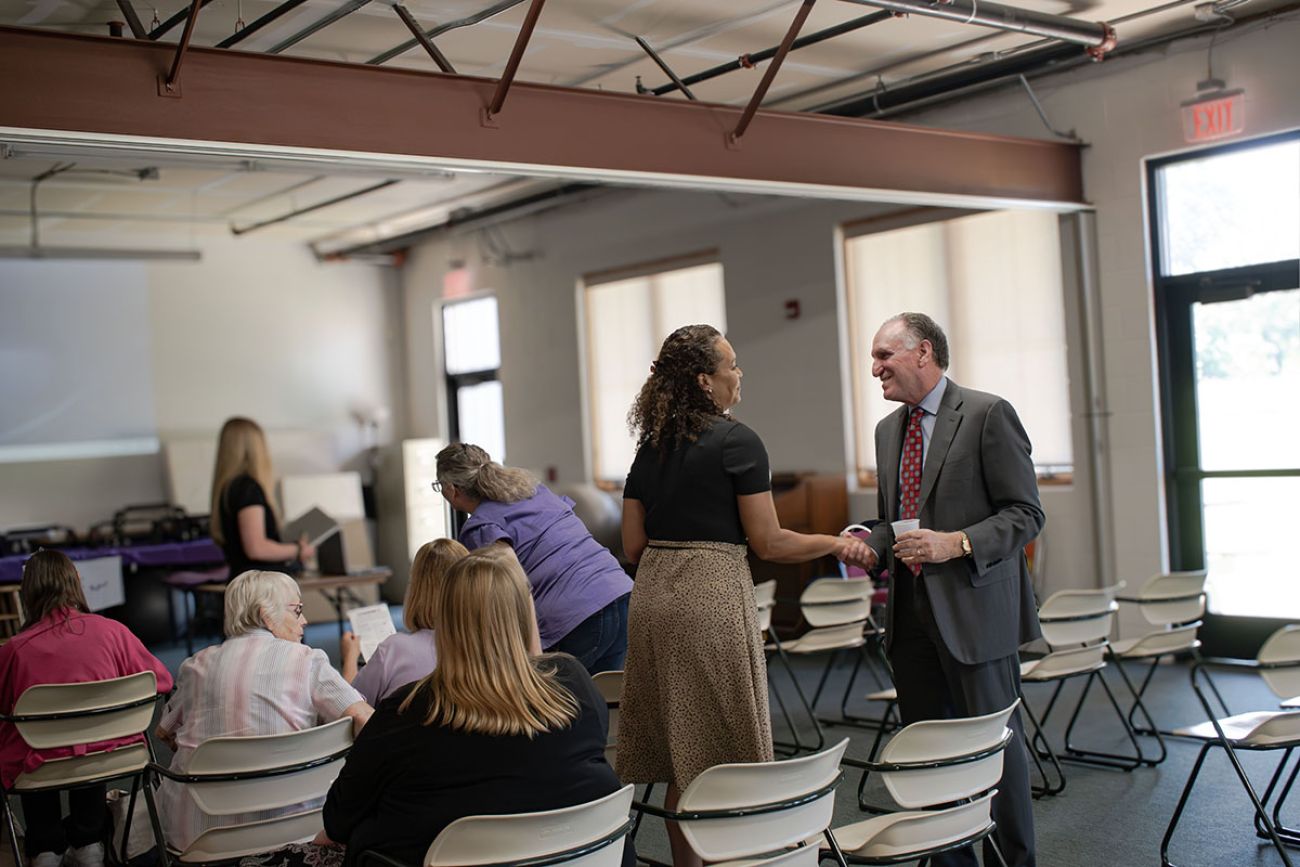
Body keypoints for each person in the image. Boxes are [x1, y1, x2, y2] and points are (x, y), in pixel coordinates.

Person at [617, 324, 869, 867]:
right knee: (722, 749)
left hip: (654, 594)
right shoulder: (738, 441)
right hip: (709, 593)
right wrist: (835, 543)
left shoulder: (649, 446)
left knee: (683, 752)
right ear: (706, 381)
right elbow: (769, 541)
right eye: (732, 366)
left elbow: (632, 545)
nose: (740, 375)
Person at [860, 312, 1044, 867]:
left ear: (922, 353)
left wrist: (956, 543)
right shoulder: (887, 429)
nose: (875, 370)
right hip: (910, 617)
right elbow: (900, 519)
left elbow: (1026, 514)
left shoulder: (988, 414)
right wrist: (868, 539)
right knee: (930, 758)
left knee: (995, 754)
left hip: (976, 612)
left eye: (884, 356)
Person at [320, 545, 626, 867]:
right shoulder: (573, 682)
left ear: (446, 620)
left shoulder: (407, 711)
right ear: (525, 614)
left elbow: (338, 820)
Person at [156, 570, 373, 854]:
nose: (304, 621)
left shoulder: (196, 665)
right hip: (298, 828)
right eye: (297, 610)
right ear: (266, 615)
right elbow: (364, 720)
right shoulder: (307, 660)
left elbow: (163, 732)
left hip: (198, 837)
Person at [0, 550, 173, 867]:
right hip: (111, 757)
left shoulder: (14, 650)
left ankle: (44, 848)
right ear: (76, 584)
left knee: (34, 738)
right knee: (92, 733)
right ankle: (88, 841)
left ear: (27, 591)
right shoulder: (112, 632)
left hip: (36, 767)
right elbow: (161, 681)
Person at [435, 443, 634, 673]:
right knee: (604, 698)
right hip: (622, 595)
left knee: (552, 704)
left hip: (576, 618)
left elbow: (509, 589)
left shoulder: (481, 526)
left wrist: (530, 657)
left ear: (451, 489)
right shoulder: (534, 491)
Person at [340, 538, 469, 704]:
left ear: (417, 590)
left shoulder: (394, 649)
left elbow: (350, 707)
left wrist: (349, 658)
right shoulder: (485, 648)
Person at [210, 417, 314, 580]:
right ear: (256, 448)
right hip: (261, 588)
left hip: (244, 583)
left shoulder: (228, 488)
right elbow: (256, 548)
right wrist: (297, 550)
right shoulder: (247, 488)